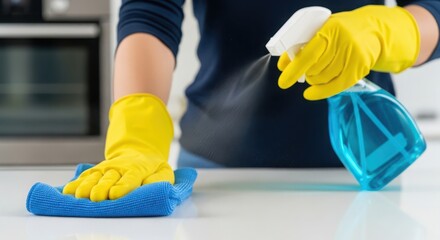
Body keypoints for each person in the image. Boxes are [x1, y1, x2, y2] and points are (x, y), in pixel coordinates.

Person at [63, 0, 440, 202]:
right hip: (219, 175)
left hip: (368, 173)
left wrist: (386, 31)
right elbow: (149, 14)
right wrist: (137, 133)